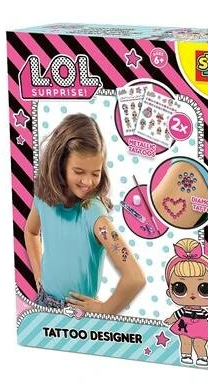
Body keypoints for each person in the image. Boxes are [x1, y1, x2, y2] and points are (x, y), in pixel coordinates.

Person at [24, 113, 145, 314]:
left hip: (78, 313)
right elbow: (31, 232)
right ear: (60, 163)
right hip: (43, 302)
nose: (88, 182)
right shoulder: (44, 197)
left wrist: (105, 309)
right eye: (79, 172)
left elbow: (135, 278)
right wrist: (38, 275)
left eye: (95, 173)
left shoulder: (93, 213)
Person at [164, 239, 208, 367]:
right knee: (185, 341)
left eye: (204, 289)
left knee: (199, 343)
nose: (192, 295)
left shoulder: (203, 313)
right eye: (180, 288)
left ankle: (202, 357)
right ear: (169, 292)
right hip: (184, 325)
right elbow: (177, 315)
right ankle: (186, 355)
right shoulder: (183, 310)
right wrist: (170, 319)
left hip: (201, 327)